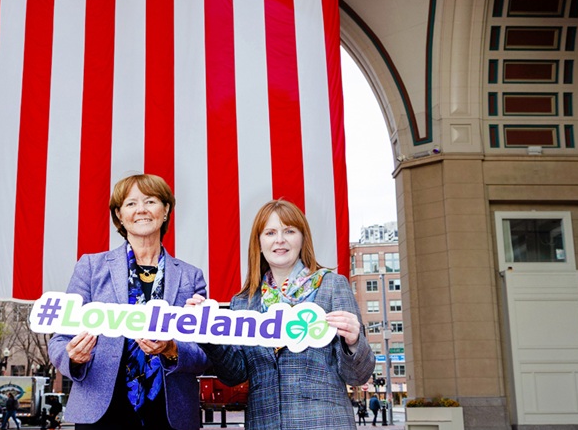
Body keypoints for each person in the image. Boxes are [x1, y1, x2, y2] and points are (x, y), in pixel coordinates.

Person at [190, 199, 376, 430]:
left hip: (325, 422)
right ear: (258, 243)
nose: (280, 240)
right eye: (270, 232)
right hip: (264, 422)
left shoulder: (332, 287)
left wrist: (354, 342)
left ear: (302, 239)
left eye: (289, 230)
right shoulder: (244, 302)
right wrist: (207, 332)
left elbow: (358, 376)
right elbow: (235, 374)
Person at [48, 174, 210, 430]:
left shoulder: (191, 277)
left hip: (170, 416)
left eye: (151, 201)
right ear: (119, 215)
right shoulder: (91, 268)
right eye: (131, 203)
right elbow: (59, 340)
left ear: (165, 210)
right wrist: (74, 357)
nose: (141, 210)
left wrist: (172, 349)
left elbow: (205, 354)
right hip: (102, 414)